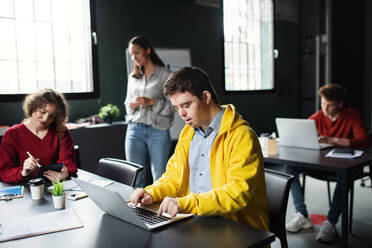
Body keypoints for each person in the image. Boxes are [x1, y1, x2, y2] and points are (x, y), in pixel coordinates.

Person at [130, 67, 269, 231]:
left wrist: (184, 203)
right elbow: (174, 177)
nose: (181, 113)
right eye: (177, 108)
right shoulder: (188, 133)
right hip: (196, 222)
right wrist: (152, 192)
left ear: (206, 97)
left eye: (186, 105)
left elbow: (237, 193)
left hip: (237, 230)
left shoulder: (242, 136)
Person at [285, 83, 371, 242]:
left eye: (330, 105)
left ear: (340, 104)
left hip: (346, 166)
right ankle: (302, 214)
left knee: (344, 175)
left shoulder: (351, 115)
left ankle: (330, 223)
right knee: (290, 167)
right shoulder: (318, 116)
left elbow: (364, 141)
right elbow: (302, 131)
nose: (325, 109)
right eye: (323, 104)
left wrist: (334, 140)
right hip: (323, 165)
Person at [124, 36, 174, 187]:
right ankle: (135, 210)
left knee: (159, 177)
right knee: (134, 177)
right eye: (132, 54)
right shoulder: (133, 77)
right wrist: (132, 105)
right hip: (134, 129)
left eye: (137, 53)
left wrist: (151, 102)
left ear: (147, 50)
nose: (134, 58)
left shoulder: (165, 75)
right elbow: (127, 102)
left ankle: (158, 210)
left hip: (158, 131)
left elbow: (172, 106)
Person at [0, 89, 78, 183]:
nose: (45, 119)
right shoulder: (12, 134)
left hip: (55, 187)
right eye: (42, 112)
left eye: (52, 116)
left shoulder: (61, 132)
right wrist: (23, 172)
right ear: (32, 107)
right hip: (25, 188)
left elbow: (69, 163)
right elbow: (4, 172)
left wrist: (65, 173)